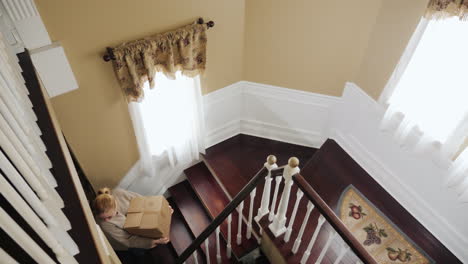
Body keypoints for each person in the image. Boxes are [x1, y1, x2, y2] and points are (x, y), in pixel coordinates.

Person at [93, 187, 173, 252]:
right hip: (127, 241)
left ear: (115, 206)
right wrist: (154, 242)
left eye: (109, 217)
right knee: (138, 253)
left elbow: (144, 202)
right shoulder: (105, 224)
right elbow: (128, 240)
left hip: (142, 228)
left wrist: (164, 210)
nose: (106, 220)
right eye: (103, 218)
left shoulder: (119, 193)